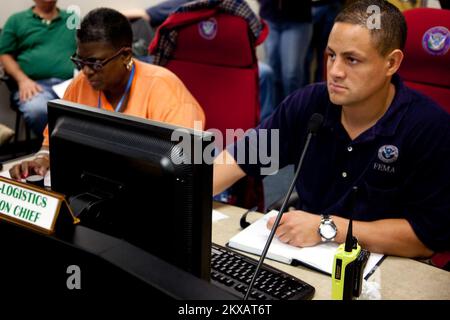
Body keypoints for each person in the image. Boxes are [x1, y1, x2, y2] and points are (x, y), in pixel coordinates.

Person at [213, 0, 450, 259]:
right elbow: (238, 158)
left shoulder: (430, 127)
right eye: (331, 55)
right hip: (304, 254)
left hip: (386, 268)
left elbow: (424, 238)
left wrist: (328, 227)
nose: (335, 71)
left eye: (352, 60)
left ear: (391, 63)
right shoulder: (308, 104)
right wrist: (184, 190)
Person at [9, 8, 205, 180]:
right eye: (80, 61)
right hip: (99, 183)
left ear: (126, 56)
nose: (86, 71)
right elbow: (51, 141)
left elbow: (184, 170)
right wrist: (41, 158)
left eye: (95, 63)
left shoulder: (165, 90)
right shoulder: (81, 83)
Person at [122, 0, 276, 122]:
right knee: (265, 73)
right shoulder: (239, 10)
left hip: (204, 69)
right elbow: (145, 14)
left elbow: (144, 15)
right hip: (223, 72)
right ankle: (264, 135)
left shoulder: (181, 11)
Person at [0, 0, 76, 137]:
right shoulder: (16, 20)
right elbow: (4, 55)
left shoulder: (72, 18)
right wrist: (22, 80)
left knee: (93, 107)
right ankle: (55, 151)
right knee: (38, 109)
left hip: (71, 84)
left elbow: (87, 48)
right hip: (34, 86)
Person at [258, 0, 313, 105]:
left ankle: (292, 113)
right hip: (269, 16)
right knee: (272, 72)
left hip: (298, 19)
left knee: (291, 74)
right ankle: (274, 115)